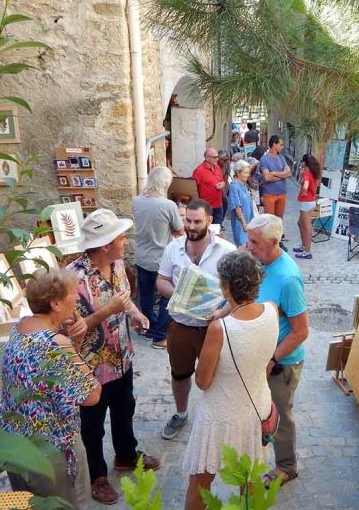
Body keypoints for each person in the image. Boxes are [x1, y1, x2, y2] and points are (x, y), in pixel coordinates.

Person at [68, 209, 160, 505]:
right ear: (105, 244)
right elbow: (74, 331)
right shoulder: (73, 278)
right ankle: (97, 476)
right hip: (91, 368)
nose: (125, 242)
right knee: (91, 424)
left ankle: (125, 455)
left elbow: (124, 299)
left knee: (124, 409)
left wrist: (135, 314)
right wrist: (108, 311)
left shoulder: (117, 264)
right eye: (121, 237)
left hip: (122, 357)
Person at [0, 269, 101, 509]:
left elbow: (51, 377)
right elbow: (92, 396)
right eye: (72, 293)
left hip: (15, 444)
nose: (77, 297)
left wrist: (74, 342)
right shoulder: (55, 344)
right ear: (55, 303)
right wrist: (72, 349)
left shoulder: (21, 327)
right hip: (51, 450)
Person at [183, 251, 279, 510]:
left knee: (200, 484)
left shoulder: (220, 329)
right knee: (249, 481)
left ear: (226, 287)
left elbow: (202, 381)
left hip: (221, 414)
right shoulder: (272, 310)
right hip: (257, 408)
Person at [156, 199, 236, 440]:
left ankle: (216, 419)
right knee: (179, 374)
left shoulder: (227, 251)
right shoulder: (173, 248)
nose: (191, 226)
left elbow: (236, 293)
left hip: (215, 327)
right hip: (181, 325)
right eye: (187, 220)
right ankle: (181, 414)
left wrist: (221, 312)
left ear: (209, 221)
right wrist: (183, 296)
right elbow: (161, 281)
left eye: (197, 221)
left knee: (217, 375)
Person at [246, 214, 308, 486]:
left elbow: (301, 331)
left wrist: (273, 358)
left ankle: (287, 467)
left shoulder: (288, 278)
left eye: (254, 242)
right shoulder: (262, 262)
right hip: (262, 359)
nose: (248, 246)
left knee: (280, 415)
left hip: (282, 364)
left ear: (273, 243)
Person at [132, 166, 184, 350]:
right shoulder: (167, 205)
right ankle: (161, 337)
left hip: (141, 255)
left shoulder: (137, 201)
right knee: (166, 297)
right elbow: (179, 230)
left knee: (145, 295)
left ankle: (149, 328)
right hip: (161, 258)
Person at [293, 154, 320, 260]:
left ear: (305, 163)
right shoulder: (313, 173)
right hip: (311, 200)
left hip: (306, 201)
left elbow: (305, 185)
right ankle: (304, 246)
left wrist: (303, 192)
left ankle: (307, 251)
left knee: (307, 226)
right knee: (300, 223)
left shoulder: (307, 174)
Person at [259, 136, 292, 222]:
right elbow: (266, 178)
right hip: (269, 193)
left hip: (282, 192)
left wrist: (274, 173)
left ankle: (279, 234)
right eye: (281, 145)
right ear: (274, 145)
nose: (283, 147)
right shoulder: (264, 159)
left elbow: (289, 173)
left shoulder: (281, 157)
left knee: (280, 216)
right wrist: (283, 176)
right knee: (269, 219)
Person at [192, 148, 226, 224]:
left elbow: (222, 180)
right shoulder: (199, 171)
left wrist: (223, 184)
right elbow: (193, 188)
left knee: (217, 228)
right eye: (215, 157)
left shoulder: (217, 167)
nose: (217, 159)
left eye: (218, 157)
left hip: (218, 204)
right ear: (207, 158)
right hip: (206, 207)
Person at [228, 159, 256, 247]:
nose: (248, 175)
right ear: (238, 173)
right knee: (243, 246)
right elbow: (237, 206)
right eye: (245, 173)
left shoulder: (244, 185)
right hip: (241, 222)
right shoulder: (234, 187)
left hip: (249, 220)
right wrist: (244, 223)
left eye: (248, 173)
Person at [218, 150, 231, 224]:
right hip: (215, 185)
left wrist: (224, 190)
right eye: (224, 160)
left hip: (223, 184)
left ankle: (220, 222)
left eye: (227, 160)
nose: (226, 162)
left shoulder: (227, 163)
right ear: (218, 159)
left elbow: (226, 176)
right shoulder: (214, 164)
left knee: (225, 202)